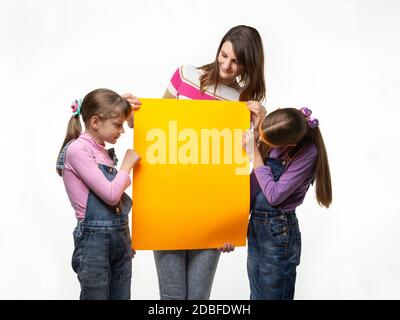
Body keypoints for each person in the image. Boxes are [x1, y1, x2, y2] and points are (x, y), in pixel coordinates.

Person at [155, 25, 267, 300]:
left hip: (211, 213)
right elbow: (155, 127)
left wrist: (261, 125)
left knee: (198, 299)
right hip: (170, 203)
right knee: (171, 299)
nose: (226, 66)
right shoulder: (185, 75)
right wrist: (128, 108)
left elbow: (248, 164)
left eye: (236, 61)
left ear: (248, 65)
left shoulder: (242, 103)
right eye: (224, 55)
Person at [56, 88, 141, 300]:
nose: (122, 130)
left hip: (119, 236)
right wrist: (126, 167)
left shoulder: (102, 150)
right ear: (95, 122)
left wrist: (123, 239)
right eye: (118, 124)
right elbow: (111, 195)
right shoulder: (78, 150)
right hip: (94, 241)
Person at [243, 107, 332, 300]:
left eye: (268, 142)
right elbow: (255, 181)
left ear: (290, 144)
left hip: (278, 231)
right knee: (256, 295)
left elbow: (274, 195)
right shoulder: (280, 128)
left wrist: (255, 154)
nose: (264, 143)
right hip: (257, 227)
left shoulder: (308, 153)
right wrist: (258, 129)